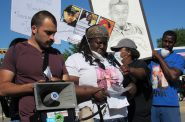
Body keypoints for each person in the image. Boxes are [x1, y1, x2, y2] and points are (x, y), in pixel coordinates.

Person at [0, 10, 69, 122]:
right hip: (25, 118)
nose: (52, 38)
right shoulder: (16, 50)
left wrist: (58, 82)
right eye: (48, 32)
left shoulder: (57, 54)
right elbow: (2, 88)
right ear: (34, 29)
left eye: (54, 33)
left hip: (56, 117)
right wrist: (33, 87)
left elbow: (67, 83)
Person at [65, 25, 129, 122]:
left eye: (105, 43)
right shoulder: (75, 59)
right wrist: (92, 93)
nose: (102, 46)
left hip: (120, 115)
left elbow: (122, 84)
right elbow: (69, 88)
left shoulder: (113, 60)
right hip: (93, 116)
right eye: (98, 42)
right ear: (88, 42)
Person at [111, 38, 152, 122]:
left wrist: (130, 70)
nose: (116, 52)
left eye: (119, 50)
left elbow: (142, 73)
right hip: (122, 113)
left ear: (129, 52)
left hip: (138, 114)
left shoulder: (140, 63)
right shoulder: (115, 67)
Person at [148, 30, 185, 122]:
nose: (167, 44)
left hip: (170, 105)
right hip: (153, 105)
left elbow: (173, 76)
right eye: (165, 41)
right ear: (162, 40)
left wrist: (159, 58)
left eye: (170, 42)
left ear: (174, 43)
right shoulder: (151, 57)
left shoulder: (178, 58)